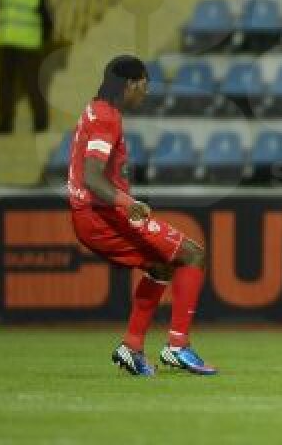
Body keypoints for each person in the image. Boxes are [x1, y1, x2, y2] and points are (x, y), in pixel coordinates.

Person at [67, 55, 217, 376]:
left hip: (89, 214)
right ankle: (177, 346)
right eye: (144, 87)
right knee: (193, 255)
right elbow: (92, 177)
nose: (145, 94)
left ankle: (131, 348)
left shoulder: (94, 110)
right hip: (102, 214)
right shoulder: (107, 118)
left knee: (160, 266)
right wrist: (126, 202)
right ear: (131, 85)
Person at [0, 0, 51, 134]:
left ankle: (41, 122)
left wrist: (44, 39)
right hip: (5, 42)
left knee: (32, 84)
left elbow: (45, 15)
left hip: (28, 44)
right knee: (4, 86)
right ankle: (5, 124)